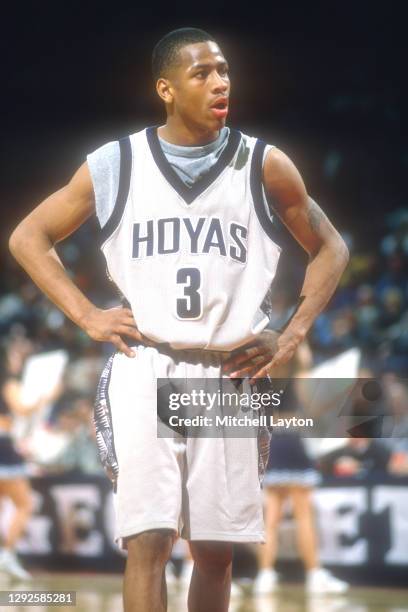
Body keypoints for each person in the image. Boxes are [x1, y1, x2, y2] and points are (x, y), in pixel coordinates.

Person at [9, 27, 349, 612]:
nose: (221, 83)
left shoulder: (264, 164)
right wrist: (87, 314)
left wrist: (293, 333)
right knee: (150, 538)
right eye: (203, 74)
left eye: (224, 71)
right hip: (148, 364)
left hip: (231, 372)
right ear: (165, 89)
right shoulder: (116, 163)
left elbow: (332, 247)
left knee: (216, 550)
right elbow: (27, 236)